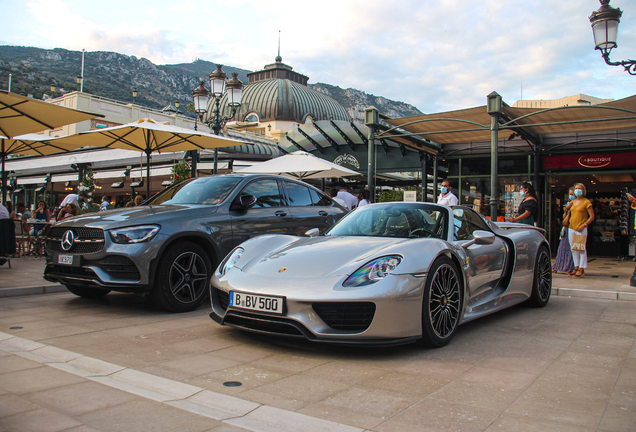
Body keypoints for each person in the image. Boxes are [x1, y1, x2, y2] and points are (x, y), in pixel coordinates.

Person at [565, 182, 594, 278]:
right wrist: (567, 207)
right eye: (576, 188)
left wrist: (584, 225)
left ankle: (582, 268)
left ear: (583, 190)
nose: (577, 190)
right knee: (573, 248)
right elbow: (567, 210)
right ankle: (576, 266)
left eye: (579, 188)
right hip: (571, 227)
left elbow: (592, 216)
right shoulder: (573, 202)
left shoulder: (586, 202)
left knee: (581, 248)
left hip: (581, 228)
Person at [552, 188, 576, 274]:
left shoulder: (577, 204)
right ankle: (557, 266)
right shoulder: (568, 204)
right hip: (566, 227)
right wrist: (566, 211)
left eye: (572, 194)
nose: (571, 196)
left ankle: (570, 267)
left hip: (574, 226)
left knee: (571, 248)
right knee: (562, 247)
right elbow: (564, 217)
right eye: (570, 194)